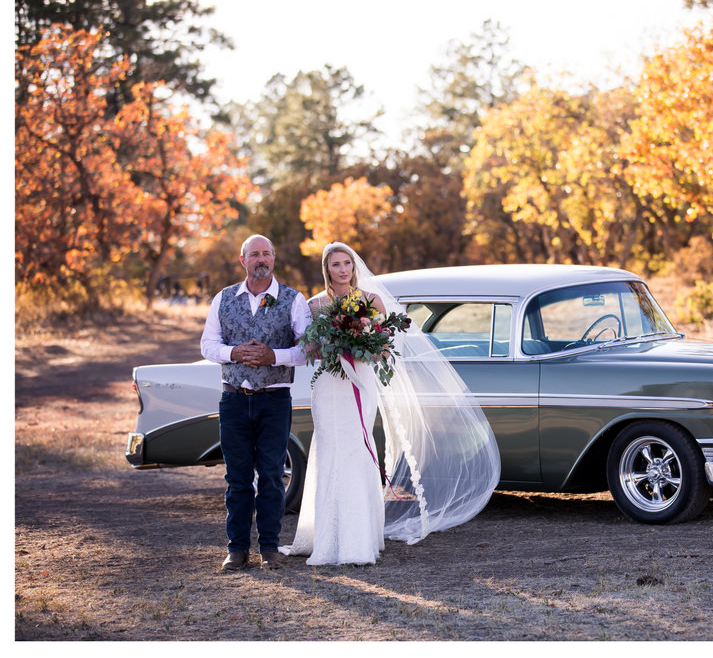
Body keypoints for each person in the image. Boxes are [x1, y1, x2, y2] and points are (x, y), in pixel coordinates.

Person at [280, 242, 501, 565]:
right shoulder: (315, 305)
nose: (342, 270)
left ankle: (360, 537)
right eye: (335, 265)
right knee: (329, 450)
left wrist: (361, 344)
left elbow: (386, 347)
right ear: (326, 269)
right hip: (329, 386)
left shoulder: (372, 301)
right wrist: (332, 343)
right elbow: (309, 350)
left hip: (360, 382)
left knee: (357, 448)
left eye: (347, 264)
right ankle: (326, 536)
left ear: (354, 267)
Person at [200, 234, 311, 571]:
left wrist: (271, 356)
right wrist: (234, 352)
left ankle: (270, 548)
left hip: (274, 400)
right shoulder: (223, 298)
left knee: (273, 476)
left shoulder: (293, 300)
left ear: (274, 259)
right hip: (233, 399)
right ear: (243, 260)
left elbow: (307, 350)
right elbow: (207, 345)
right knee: (237, 478)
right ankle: (236, 549)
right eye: (254, 254)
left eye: (267, 254)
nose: (261, 259)